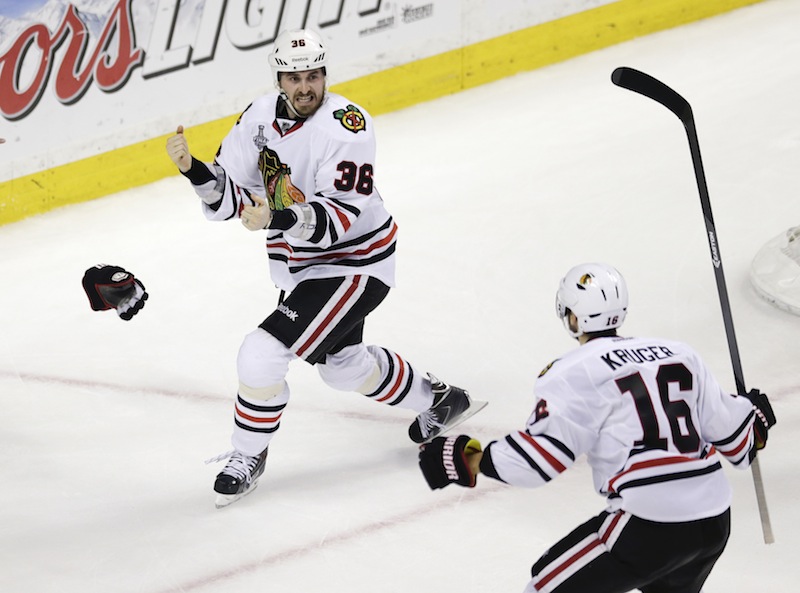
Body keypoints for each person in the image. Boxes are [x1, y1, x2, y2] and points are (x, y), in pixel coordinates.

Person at [165, 28, 481, 508]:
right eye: (294, 77)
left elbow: (342, 214)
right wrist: (194, 170)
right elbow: (232, 193)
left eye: (313, 75)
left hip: (356, 262)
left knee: (260, 354)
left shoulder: (347, 126)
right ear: (280, 79)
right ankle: (439, 399)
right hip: (303, 267)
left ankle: (245, 456)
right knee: (341, 368)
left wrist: (276, 217)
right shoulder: (258, 117)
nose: (305, 86)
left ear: (324, 74)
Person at [418, 262, 776, 593]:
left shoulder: (573, 371)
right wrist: (754, 413)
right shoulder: (678, 353)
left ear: (572, 318)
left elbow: (538, 461)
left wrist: (468, 458)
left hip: (650, 522)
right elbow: (739, 440)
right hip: (713, 522)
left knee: (545, 586)